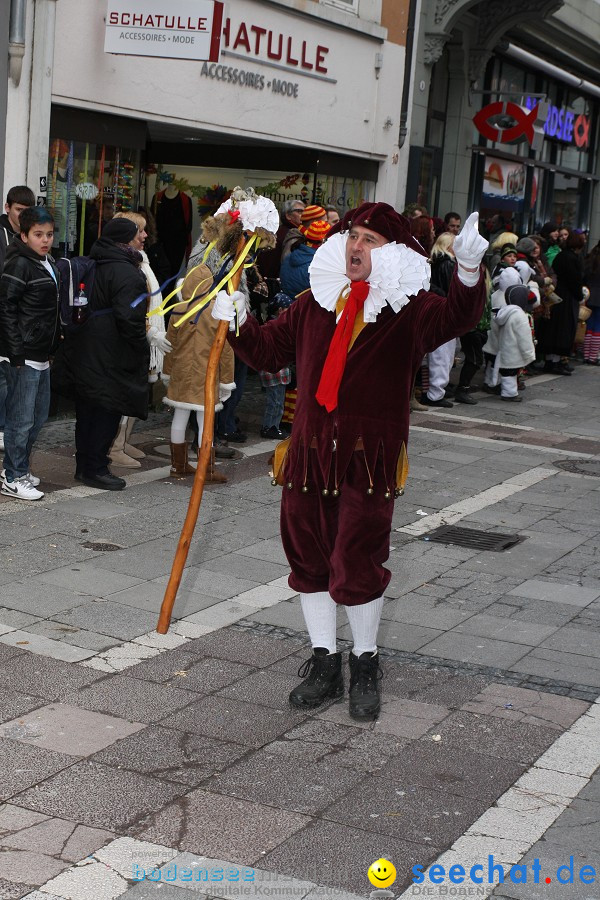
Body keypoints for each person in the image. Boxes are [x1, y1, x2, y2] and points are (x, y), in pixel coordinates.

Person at [211, 203, 487, 720]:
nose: (357, 246)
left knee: (357, 559)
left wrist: (469, 272)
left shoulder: (411, 309)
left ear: (394, 254)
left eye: (371, 240)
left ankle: (364, 663)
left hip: (369, 458)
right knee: (307, 556)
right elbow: (269, 352)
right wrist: (240, 323)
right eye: (353, 235)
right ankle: (323, 661)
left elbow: (460, 316)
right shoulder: (315, 301)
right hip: (310, 453)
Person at [67, 217, 149, 489]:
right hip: (112, 352)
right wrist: (141, 347)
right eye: (138, 232)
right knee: (107, 410)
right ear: (124, 240)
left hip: (86, 348)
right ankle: (96, 468)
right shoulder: (126, 271)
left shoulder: (94, 261)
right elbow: (130, 319)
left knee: (87, 410)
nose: (145, 236)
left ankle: (84, 466)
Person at [0, 207, 59, 500]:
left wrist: (52, 349)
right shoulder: (19, 265)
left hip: (41, 354)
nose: (45, 240)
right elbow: (5, 309)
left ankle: (18, 468)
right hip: (22, 355)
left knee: (37, 417)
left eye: (48, 234)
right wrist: (15, 354)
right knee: (20, 420)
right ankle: (12, 476)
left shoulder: (47, 262)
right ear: (24, 236)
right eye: (38, 234)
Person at [108, 211, 171, 468]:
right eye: (140, 231)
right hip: (131, 337)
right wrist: (149, 331)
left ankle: (122, 441)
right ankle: (114, 446)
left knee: (139, 389)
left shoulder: (141, 260)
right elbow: (134, 305)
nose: (145, 236)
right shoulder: (129, 264)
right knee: (126, 392)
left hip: (142, 336)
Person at [161, 265, 233, 481]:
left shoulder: (179, 309)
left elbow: (169, 344)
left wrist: (167, 373)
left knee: (179, 418)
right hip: (206, 375)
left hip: (181, 373)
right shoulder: (217, 312)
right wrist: (227, 381)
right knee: (205, 423)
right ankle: (206, 469)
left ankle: (177, 466)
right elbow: (226, 351)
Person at [0, 186, 36, 453]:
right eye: (19, 210)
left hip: (18, 316)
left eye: (27, 211)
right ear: (7, 207)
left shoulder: (29, 237)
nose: (22, 215)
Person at [541, 231, 586, 375]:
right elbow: (575, 280)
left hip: (557, 295)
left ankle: (551, 361)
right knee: (563, 330)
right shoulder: (573, 258)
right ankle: (556, 362)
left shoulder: (561, 256)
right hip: (567, 298)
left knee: (553, 329)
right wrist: (580, 296)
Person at [421, 232, 458, 408]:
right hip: (444, 312)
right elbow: (452, 290)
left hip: (435, 311)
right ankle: (435, 393)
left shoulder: (434, 262)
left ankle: (433, 391)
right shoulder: (448, 264)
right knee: (443, 355)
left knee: (437, 355)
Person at [483, 283, 537, 402]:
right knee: (510, 374)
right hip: (514, 352)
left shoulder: (502, 312)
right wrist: (529, 354)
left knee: (505, 371)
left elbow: (495, 331)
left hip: (504, 350)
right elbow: (524, 337)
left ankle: (496, 386)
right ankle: (509, 393)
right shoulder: (520, 316)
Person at [259, 293, 293, 439]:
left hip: (278, 370)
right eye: (288, 308)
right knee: (275, 401)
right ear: (280, 310)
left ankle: (274, 426)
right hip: (275, 371)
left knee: (277, 401)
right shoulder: (276, 327)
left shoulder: (274, 326)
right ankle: (269, 427)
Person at [279, 219, 330, 299]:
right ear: (323, 241)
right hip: (308, 308)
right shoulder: (319, 264)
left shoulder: (290, 256)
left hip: (291, 306)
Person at [258, 199, 305, 285]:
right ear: (288, 216)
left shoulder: (295, 233)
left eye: (305, 211)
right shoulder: (286, 235)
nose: (303, 214)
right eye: (299, 211)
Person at [583, 241, 600, 364]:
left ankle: (586, 354)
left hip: (589, 295)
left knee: (589, 326)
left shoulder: (589, 259)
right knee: (598, 327)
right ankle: (593, 356)